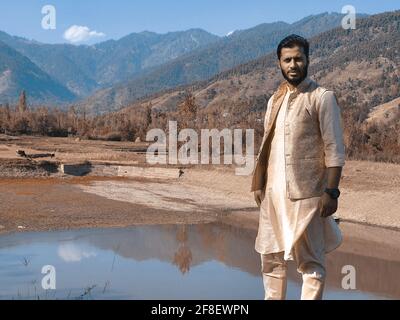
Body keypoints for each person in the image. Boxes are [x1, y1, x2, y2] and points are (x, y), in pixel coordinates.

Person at [251, 34, 345, 300]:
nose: (293, 64)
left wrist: (332, 191)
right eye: (287, 59)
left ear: (307, 60)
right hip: (272, 196)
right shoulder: (274, 100)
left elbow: (335, 150)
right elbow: (266, 147)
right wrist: (259, 184)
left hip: (308, 196)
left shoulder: (322, 97)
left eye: (298, 59)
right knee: (270, 260)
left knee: (311, 263)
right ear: (279, 63)